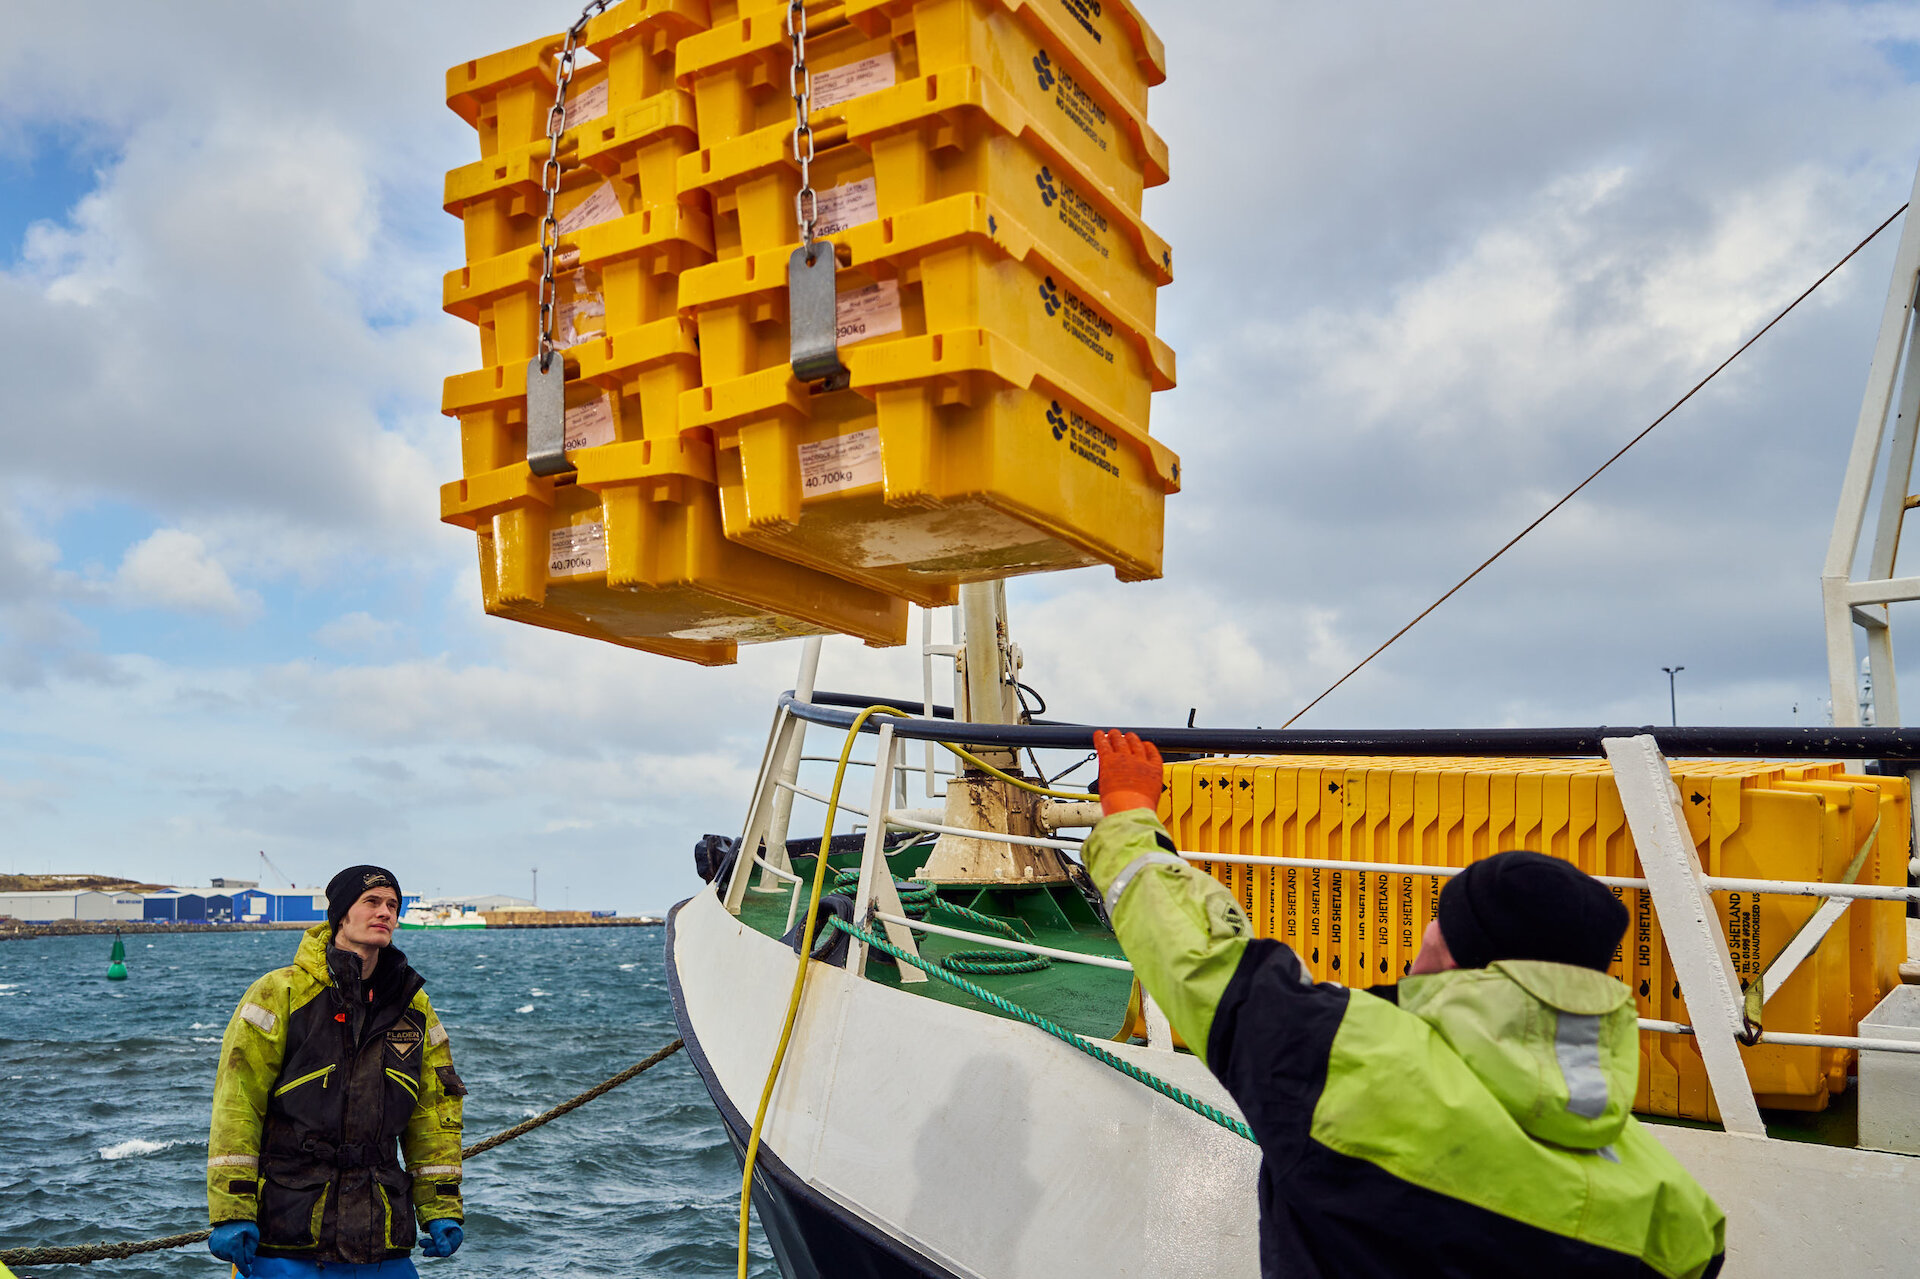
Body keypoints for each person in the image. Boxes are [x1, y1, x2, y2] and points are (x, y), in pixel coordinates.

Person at [1085, 730, 1727, 1279]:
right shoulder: (1674, 1207)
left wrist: (1128, 808)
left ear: (1453, 951)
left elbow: (1199, 957)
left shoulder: (1347, 1063)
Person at [205, 866, 467, 1277]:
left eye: (393, 905)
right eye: (372, 902)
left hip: (383, 1242)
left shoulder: (414, 1009)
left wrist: (442, 1207)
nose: (385, 913)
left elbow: (432, 1114)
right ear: (341, 914)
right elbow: (237, 1106)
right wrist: (232, 1210)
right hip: (289, 1236)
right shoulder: (279, 994)